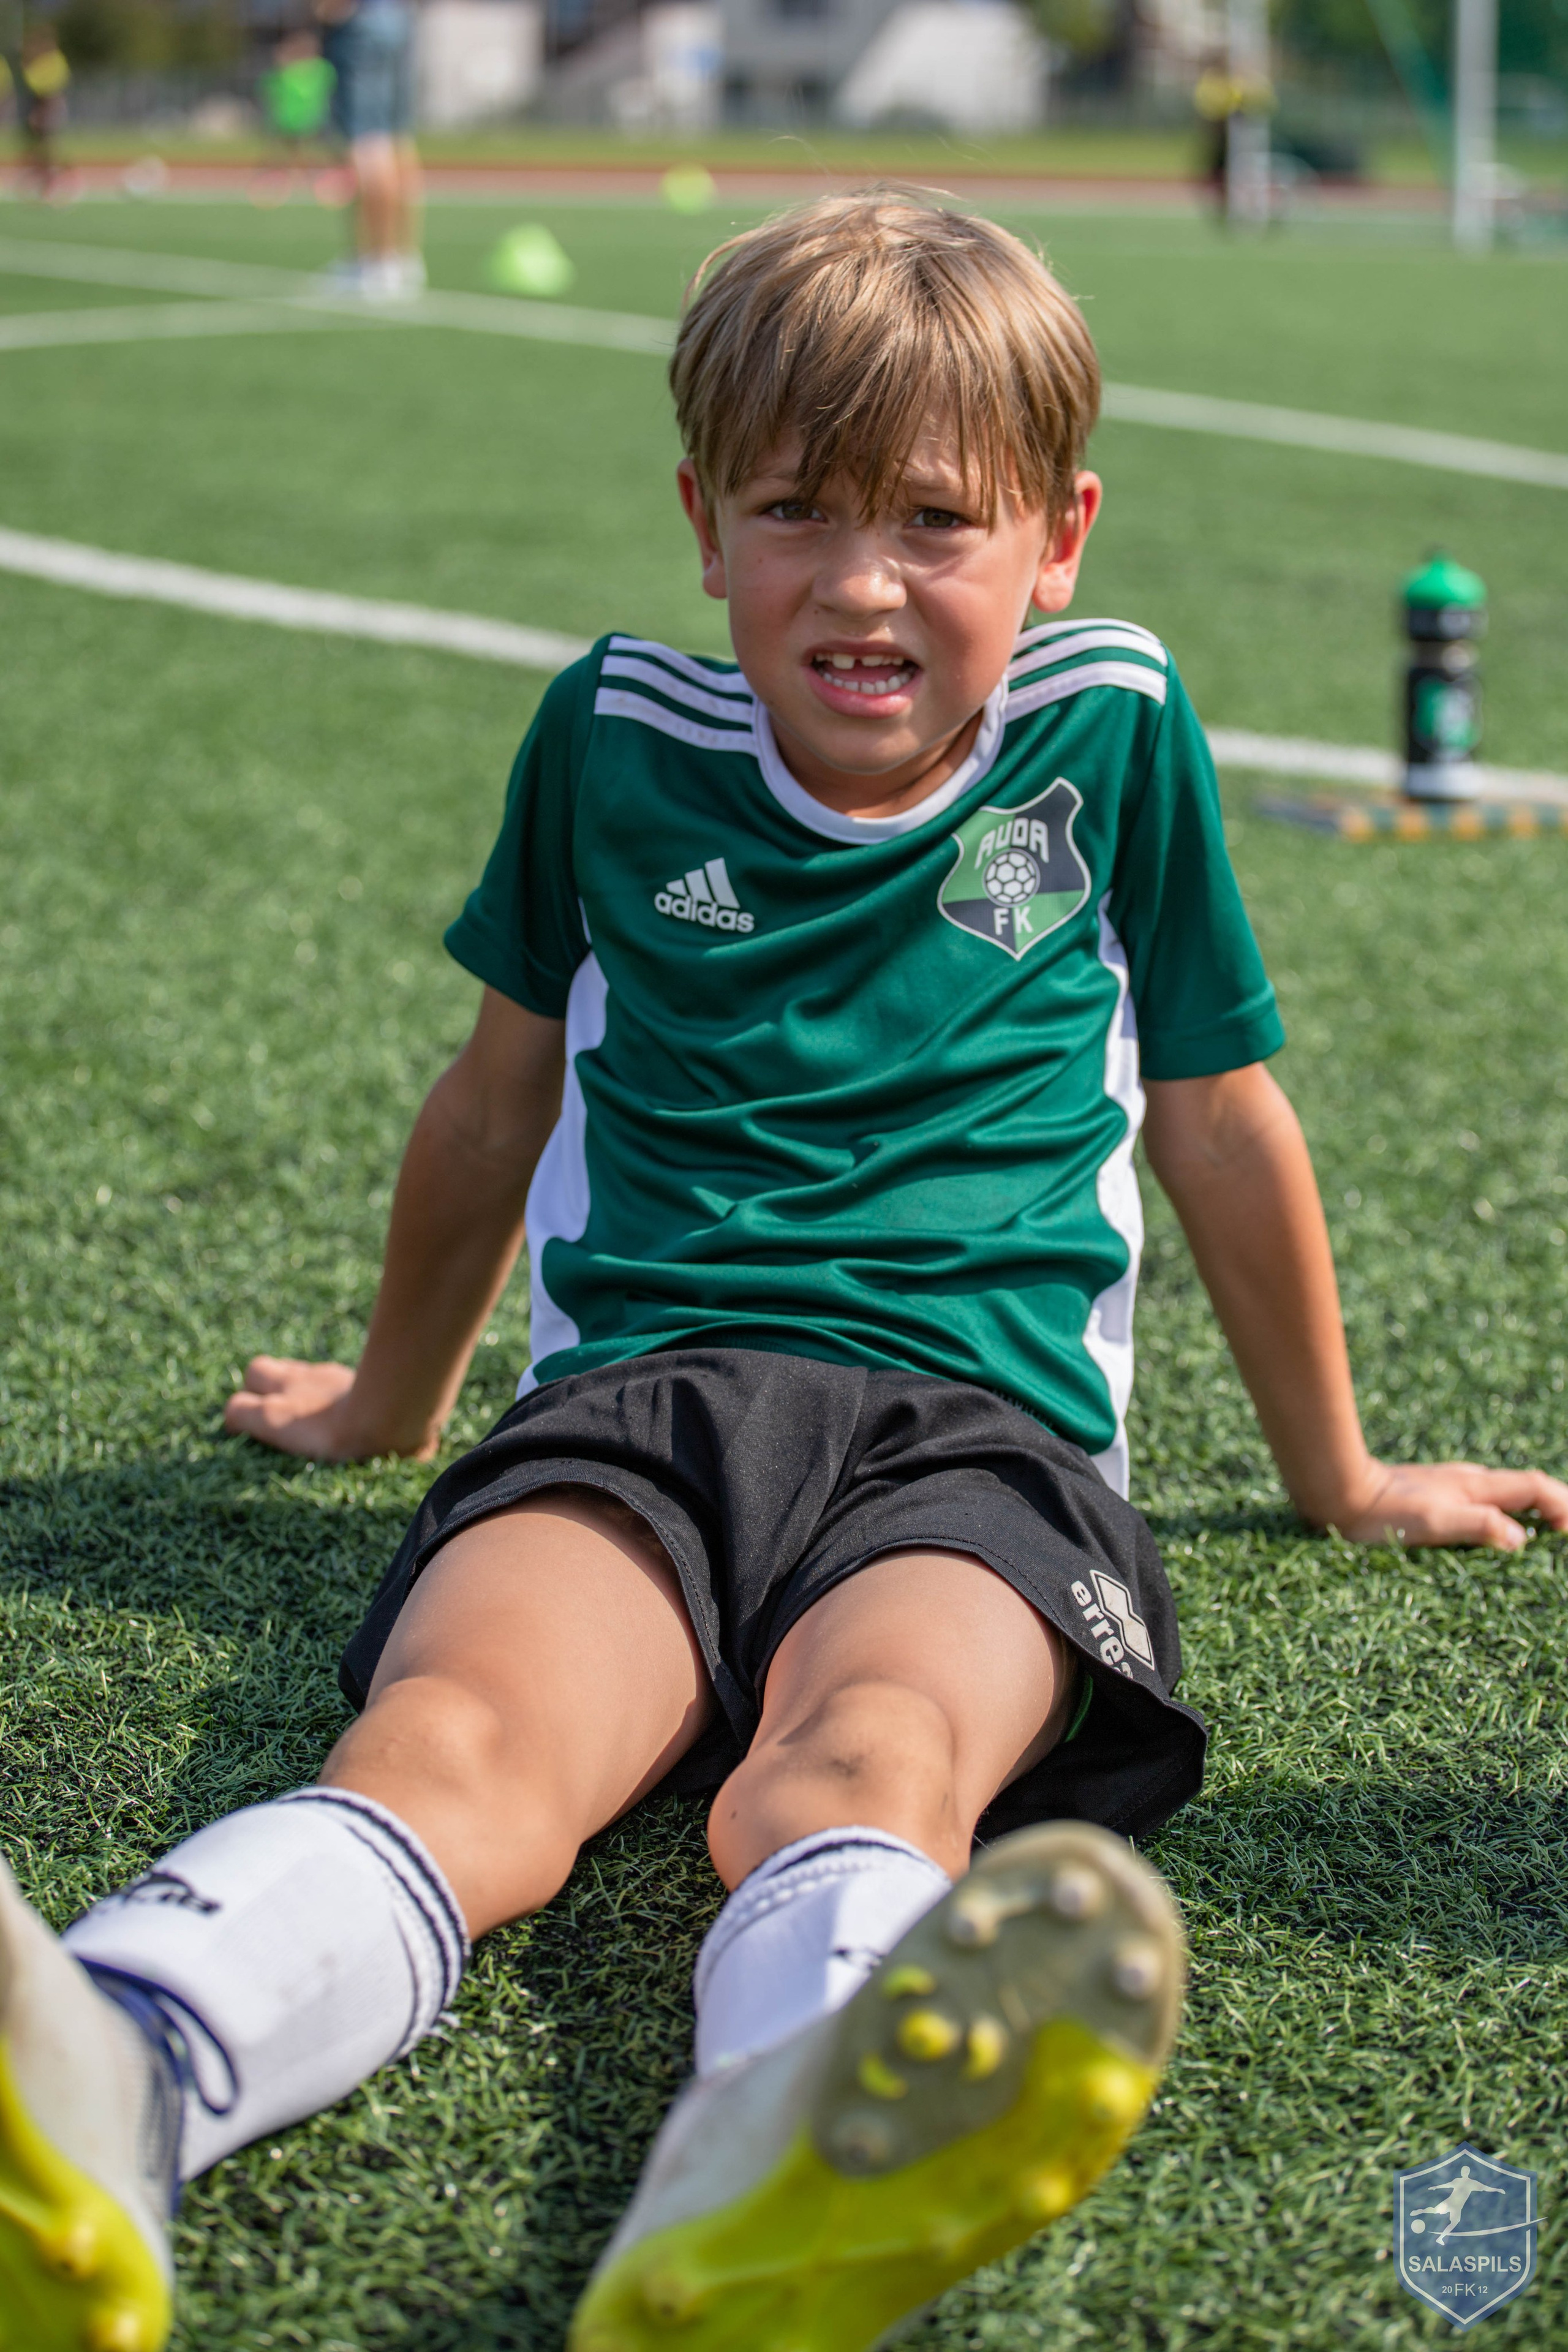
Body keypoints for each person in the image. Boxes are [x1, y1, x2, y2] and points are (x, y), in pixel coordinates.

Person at [2, 193, 1565, 2352]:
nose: (859, 580)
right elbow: (491, 1106)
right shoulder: (616, 742)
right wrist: (390, 1401)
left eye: (937, 518)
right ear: (699, 522)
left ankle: (775, 2159)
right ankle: (111, 2065)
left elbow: (1221, 1116)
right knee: (454, 1741)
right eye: (793, 510)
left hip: (982, 1443)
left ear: (1060, 536)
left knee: (874, 1761)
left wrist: (1344, 1468)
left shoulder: (1111, 734)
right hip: (643, 1408)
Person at [314, 0, 423, 297]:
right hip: (399, 18)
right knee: (397, 141)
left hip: (361, 24)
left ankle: (379, 263)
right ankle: (403, 258)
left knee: (369, 143)